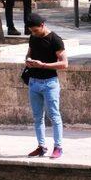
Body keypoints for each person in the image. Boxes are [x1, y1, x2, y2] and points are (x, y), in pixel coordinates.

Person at [25, 13, 68, 159]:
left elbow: (64, 64)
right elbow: (29, 54)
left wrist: (43, 65)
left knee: (54, 116)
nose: (34, 33)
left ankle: (58, 147)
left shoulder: (55, 39)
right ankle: (41, 146)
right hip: (33, 82)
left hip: (50, 83)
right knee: (37, 117)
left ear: (42, 25)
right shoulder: (33, 37)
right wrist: (28, 61)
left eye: (36, 30)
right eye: (31, 31)